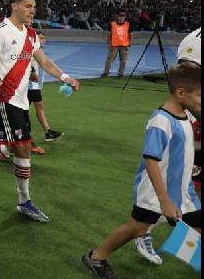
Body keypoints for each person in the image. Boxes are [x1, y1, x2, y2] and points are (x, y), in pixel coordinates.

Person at [82, 62, 201, 278]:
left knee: (199, 225)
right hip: (155, 193)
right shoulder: (161, 121)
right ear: (181, 92)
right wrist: (164, 199)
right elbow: (151, 159)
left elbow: (183, 147)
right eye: (200, 95)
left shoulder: (186, 116)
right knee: (136, 228)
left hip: (183, 191)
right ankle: (96, 256)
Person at [0, 0, 79, 223]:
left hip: (22, 100)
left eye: (33, 6)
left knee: (14, 147)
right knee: (23, 147)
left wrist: (65, 77)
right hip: (6, 99)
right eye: (27, 6)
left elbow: (44, 61)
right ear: (14, 6)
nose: (32, 10)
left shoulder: (31, 34)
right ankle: (24, 201)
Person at [132, 25, 201, 264]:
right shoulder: (195, 40)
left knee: (189, 192)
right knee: (174, 186)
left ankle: (192, 248)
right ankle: (142, 233)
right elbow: (185, 79)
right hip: (191, 120)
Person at [28, 30, 63, 151]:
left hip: (33, 85)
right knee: (21, 112)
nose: (43, 40)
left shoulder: (38, 51)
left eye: (44, 38)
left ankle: (48, 132)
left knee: (38, 106)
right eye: (40, 38)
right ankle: (29, 140)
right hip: (28, 86)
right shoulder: (31, 50)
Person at [102, 11, 131, 77]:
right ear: (117, 16)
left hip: (124, 45)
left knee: (123, 60)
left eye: (123, 16)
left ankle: (121, 73)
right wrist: (108, 44)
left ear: (125, 17)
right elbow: (108, 35)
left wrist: (129, 43)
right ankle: (106, 72)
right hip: (114, 45)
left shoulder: (128, 24)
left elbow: (130, 34)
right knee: (109, 59)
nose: (121, 17)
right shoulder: (112, 24)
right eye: (120, 16)